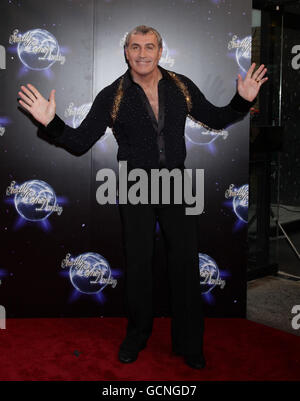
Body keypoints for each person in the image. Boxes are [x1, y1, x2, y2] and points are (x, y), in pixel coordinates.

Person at [18, 25, 268, 369]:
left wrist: (243, 100)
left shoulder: (180, 85)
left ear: (160, 51)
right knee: (138, 266)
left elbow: (215, 118)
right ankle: (136, 337)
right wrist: (51, 122)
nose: (142, 53)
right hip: (136, 184)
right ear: (126, 52)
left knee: (184, 264)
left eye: (149, 46)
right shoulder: (114, 94)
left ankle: (190, 343)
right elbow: (79, 143)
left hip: (176, 183)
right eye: (135, 47)